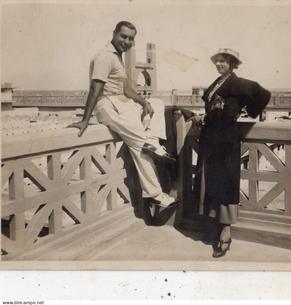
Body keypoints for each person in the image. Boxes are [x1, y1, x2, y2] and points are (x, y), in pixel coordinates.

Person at [68, 21, 177, 209]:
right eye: (123, 36)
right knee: (139, 145)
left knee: (157, 104)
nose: (127, 41)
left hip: (123, 104)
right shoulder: (105, 57)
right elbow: (96, 88)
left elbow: (126, 88)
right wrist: (85, 119)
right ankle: (156, 195)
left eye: (131, 38)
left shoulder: (118, 57)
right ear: (114, 34)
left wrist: (143, 102)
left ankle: (152, 140)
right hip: (109, 106)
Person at [188, 48, 271, 258]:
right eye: (217, 61)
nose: (219, 64)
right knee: (212, 183)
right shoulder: (217, 83)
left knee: (225, 183)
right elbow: (214, 110)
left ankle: (226, 232)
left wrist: (251, 110)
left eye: (223, 61)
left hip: (225, 140)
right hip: (211, 139)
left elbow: (262, 94)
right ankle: (216, 227)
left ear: (232, 64)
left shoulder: (237, 83)